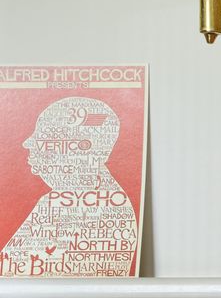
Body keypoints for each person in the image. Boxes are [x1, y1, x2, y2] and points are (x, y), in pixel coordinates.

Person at [1, 94, 139, 277]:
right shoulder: (112, 198)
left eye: (44, 136)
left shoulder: (60, 204)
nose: (27, 143)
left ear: (80, 148)